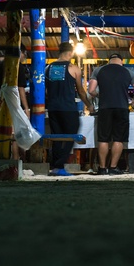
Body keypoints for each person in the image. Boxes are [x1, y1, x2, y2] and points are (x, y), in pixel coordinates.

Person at [90, 53, 134, 175]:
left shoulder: (98, 70)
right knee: (118, 139)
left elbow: (91, 91)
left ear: (109, 61)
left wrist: (101, 95)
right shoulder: (128, 72)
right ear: (121, 61)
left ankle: (102, 168)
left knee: (103, 139)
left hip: (104, 108)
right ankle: (113, 167)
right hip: (122, 107)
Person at [45, 42, 95, 177]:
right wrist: (89, 105)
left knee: (57, 136)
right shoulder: (74, 69)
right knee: (71, 134)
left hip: (53, 108)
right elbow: (81, 91)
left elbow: (45, 91)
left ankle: (56, 166)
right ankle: (59, 165)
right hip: (68, 108)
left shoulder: (48, 68)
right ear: (71, 53)